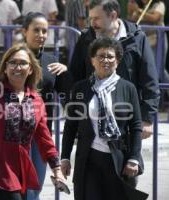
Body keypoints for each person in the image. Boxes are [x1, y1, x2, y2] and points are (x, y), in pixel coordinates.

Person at [0, 43, 66, 200]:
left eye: (23, 63)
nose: (17, 67)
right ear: (5, 67)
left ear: (30, 69)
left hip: (21, 169)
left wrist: (56, 169)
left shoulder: (36, 100)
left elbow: (44, 139)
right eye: (12, 63)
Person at [61, 37, 148, 200]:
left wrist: (134, 158)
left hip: (118, 160)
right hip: (88, 160)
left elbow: (136, 126)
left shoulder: (128, 88)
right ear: (92, 60)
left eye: (110, 56)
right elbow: (71, 126)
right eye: (101, 56)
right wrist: (65, 157)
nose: (105, 60)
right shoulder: (80, 88)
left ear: (118, 61)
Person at [69, 0, 160, 139]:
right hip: (91, 119)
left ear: (113, 15)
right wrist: (75, 115)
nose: (93, 23)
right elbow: (75, 78)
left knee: (129, 160)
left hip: (126, 118)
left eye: (97, 18)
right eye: (91, 18)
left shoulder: (136, 37)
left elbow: (149, 80)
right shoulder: (86, 38)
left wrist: (147, 117)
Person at [21, 12, 70, 200]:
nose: (41, 35)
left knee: (35, 188)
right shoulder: (14, 57)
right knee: (19, 189)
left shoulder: (51, 61)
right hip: (14, 135)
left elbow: (68, 96)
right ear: (24, 31)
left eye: (44, 31)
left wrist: (66, 72)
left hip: (41, 134)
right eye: (36, 30)